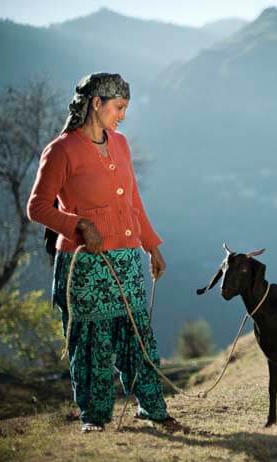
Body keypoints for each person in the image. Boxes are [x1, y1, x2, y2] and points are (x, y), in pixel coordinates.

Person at [27, 72, 181, 433]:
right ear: (96, 104)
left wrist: (152, 245)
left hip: (127, 260)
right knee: (92, 344)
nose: (123, 115)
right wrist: (78, 225)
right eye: (119, 107)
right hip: (86, 265)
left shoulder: (122, 144)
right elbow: (37, 207)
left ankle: (154, 409)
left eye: (125, 108)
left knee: (138, 337)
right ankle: (94, 419)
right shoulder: (61, 150)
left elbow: (133, 202)